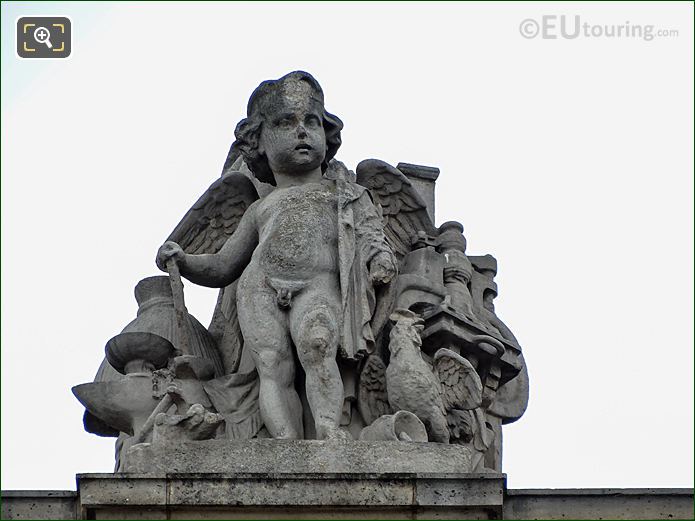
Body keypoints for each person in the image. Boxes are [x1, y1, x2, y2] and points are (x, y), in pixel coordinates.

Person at [157, 71, 396, 440]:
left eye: (311, 122)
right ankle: (284, 440)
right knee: (272, 364)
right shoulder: (260, 208)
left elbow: (370, 234)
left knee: (318, 347)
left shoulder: (347, 195)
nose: (301, 131)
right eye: (286, 122)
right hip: (259, 287)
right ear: (260, 142)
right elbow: (224, 263)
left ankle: (328, 429)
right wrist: (185, 261)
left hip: (318, 284)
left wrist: (379, 259)